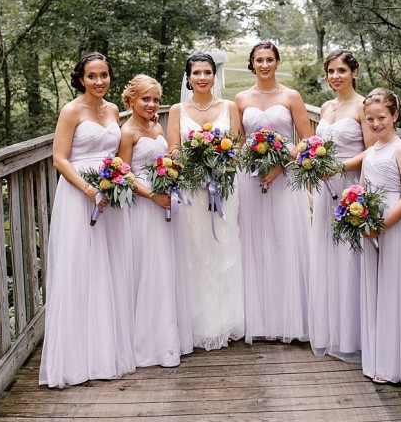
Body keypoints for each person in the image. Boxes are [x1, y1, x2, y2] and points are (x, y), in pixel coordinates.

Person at [39, 52, 136, 387]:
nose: (99, 82)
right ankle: (76, 359)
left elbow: (119, 154)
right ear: (81, 78)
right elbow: (59, 158)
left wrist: (116, 181)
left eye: (104, 75)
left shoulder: (112, 110)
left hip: (109, 193)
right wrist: (87, 189)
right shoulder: (71, 110)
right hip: (80, 194)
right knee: (80, 267)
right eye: (92, 76)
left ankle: (105, 351)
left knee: (107, 268)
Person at [234, 41, 314, 344]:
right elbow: (240, 141)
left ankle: (289, 319)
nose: (264, 65)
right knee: (255, 241)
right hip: (250, 177)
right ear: (252, 64)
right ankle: (259, 319)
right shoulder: (241, 98)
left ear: (277, 62)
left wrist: (280, 165)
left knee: (284, 240)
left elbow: (306, 138)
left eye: (269, 59)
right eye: (259, 60)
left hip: (285, 176)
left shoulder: (291, 96)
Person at [167, 52, 245, 351]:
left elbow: (238, 142)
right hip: (192, 188)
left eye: (207, 72)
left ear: (215, 75)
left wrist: (221, 164)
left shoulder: (229, 106)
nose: (202, 78)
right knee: (196, 249)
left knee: (226, 247)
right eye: (196, 73)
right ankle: (199, 322)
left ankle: (226, 321)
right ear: (188, 77)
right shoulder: (177, 109)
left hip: (225, 185)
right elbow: (174, 147)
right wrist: (195, 168)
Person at [116, 75, 192, 368]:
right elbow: (124, 174)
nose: (151, 105)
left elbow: (168, 158)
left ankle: (169, 338)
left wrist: (173, 177)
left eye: (156, 100)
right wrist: (152, 196)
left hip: (166, 203)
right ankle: (148, 346)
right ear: (131, 100)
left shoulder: (157, 125)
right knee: (150, 270)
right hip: (145, 207)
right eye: (145, 99)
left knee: (166, 269)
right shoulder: (128, 132)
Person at [309, 50, 374, 361]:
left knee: (349, 257)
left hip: (350, 188)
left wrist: (341, 167)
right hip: (325, 189)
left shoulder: (363, 106)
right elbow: (317, 145)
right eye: (331, 71)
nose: (336, 76)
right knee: (327, 254)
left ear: (354, 72)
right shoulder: (325, 107)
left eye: (342, 70)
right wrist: (313, 162)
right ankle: (328, 330)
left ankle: (352, 336)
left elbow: (373, 151)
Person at [359, 88, 401, 384]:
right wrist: (355, 212)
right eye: (370, 119)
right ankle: (376, 358)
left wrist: (382, 224)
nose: (376, 124)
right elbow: (359, 188)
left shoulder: (400, 148)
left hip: (390, 220)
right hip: (367, 221)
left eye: (381, 117)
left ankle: (394, 363)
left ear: (394, 115)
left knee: (392, 286)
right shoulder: (371, 150)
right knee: (373, 287)